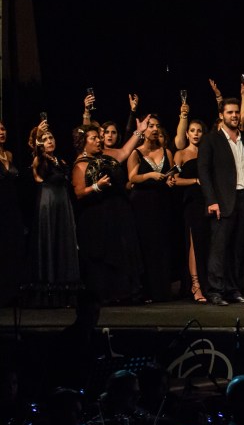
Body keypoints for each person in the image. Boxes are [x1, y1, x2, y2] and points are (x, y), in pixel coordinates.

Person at [197, 98, 244, 306]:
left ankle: (232, 289)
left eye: (236, 112)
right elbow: (204, 172)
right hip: (223, 199)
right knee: (219, 248)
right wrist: (211, 200)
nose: (234, 115)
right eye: (230, 112)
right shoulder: (211, 140)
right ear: (221, 115)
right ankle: (215, 290)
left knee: (239, 248)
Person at [72, 119, 147, 303]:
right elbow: (79, 193)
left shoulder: (105, 158)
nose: (99, 140)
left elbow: (125, 152)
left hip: (114, 213)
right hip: (95, 215)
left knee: (119, 251)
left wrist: (139, 131)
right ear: (83, 143)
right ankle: (105, 294)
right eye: (94, 138)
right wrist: (97, 186)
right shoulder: (80, 165)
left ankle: (123, 293)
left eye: (99, 137)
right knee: (102, 254)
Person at [26, 121, 80, 306]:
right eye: (45, 139)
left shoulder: (61, 161)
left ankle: (65, 293)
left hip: (63, 204)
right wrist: (37, 137)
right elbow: (37, 162)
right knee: (49, 241)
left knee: (63, 242)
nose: (49, 140)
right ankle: (48, 293)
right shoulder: (39, 160)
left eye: (51, 137)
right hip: (48, 204)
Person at [127, 115, 178, 303]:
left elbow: (171, 174)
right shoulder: (136, 153)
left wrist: (170, 180)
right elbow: (132, 178)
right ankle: (146, 290)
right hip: (143, 203)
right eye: (150, 126)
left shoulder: (166, 151)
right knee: (146, 245)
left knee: (163, 245)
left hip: (162, 202)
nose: (155, 129)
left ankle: (162, 290)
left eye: (157, 126)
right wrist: (150, 175)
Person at [173, 119, 209, 303]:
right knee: (194, 243)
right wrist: (195, 181)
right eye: (192, 130)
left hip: (208, 201)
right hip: (191, 202)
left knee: (207, 243)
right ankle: (195, 285)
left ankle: (208, 283)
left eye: (199, 130)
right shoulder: (180, 154)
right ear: (187, 134)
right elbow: (174, 180)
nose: (196, 134)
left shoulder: (207, 152)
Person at [0, 120, 27, 299]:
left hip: (12, 205)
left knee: (12, 248)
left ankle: (11, 291)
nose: (1, 132)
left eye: (3, 128)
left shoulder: (9, 154)